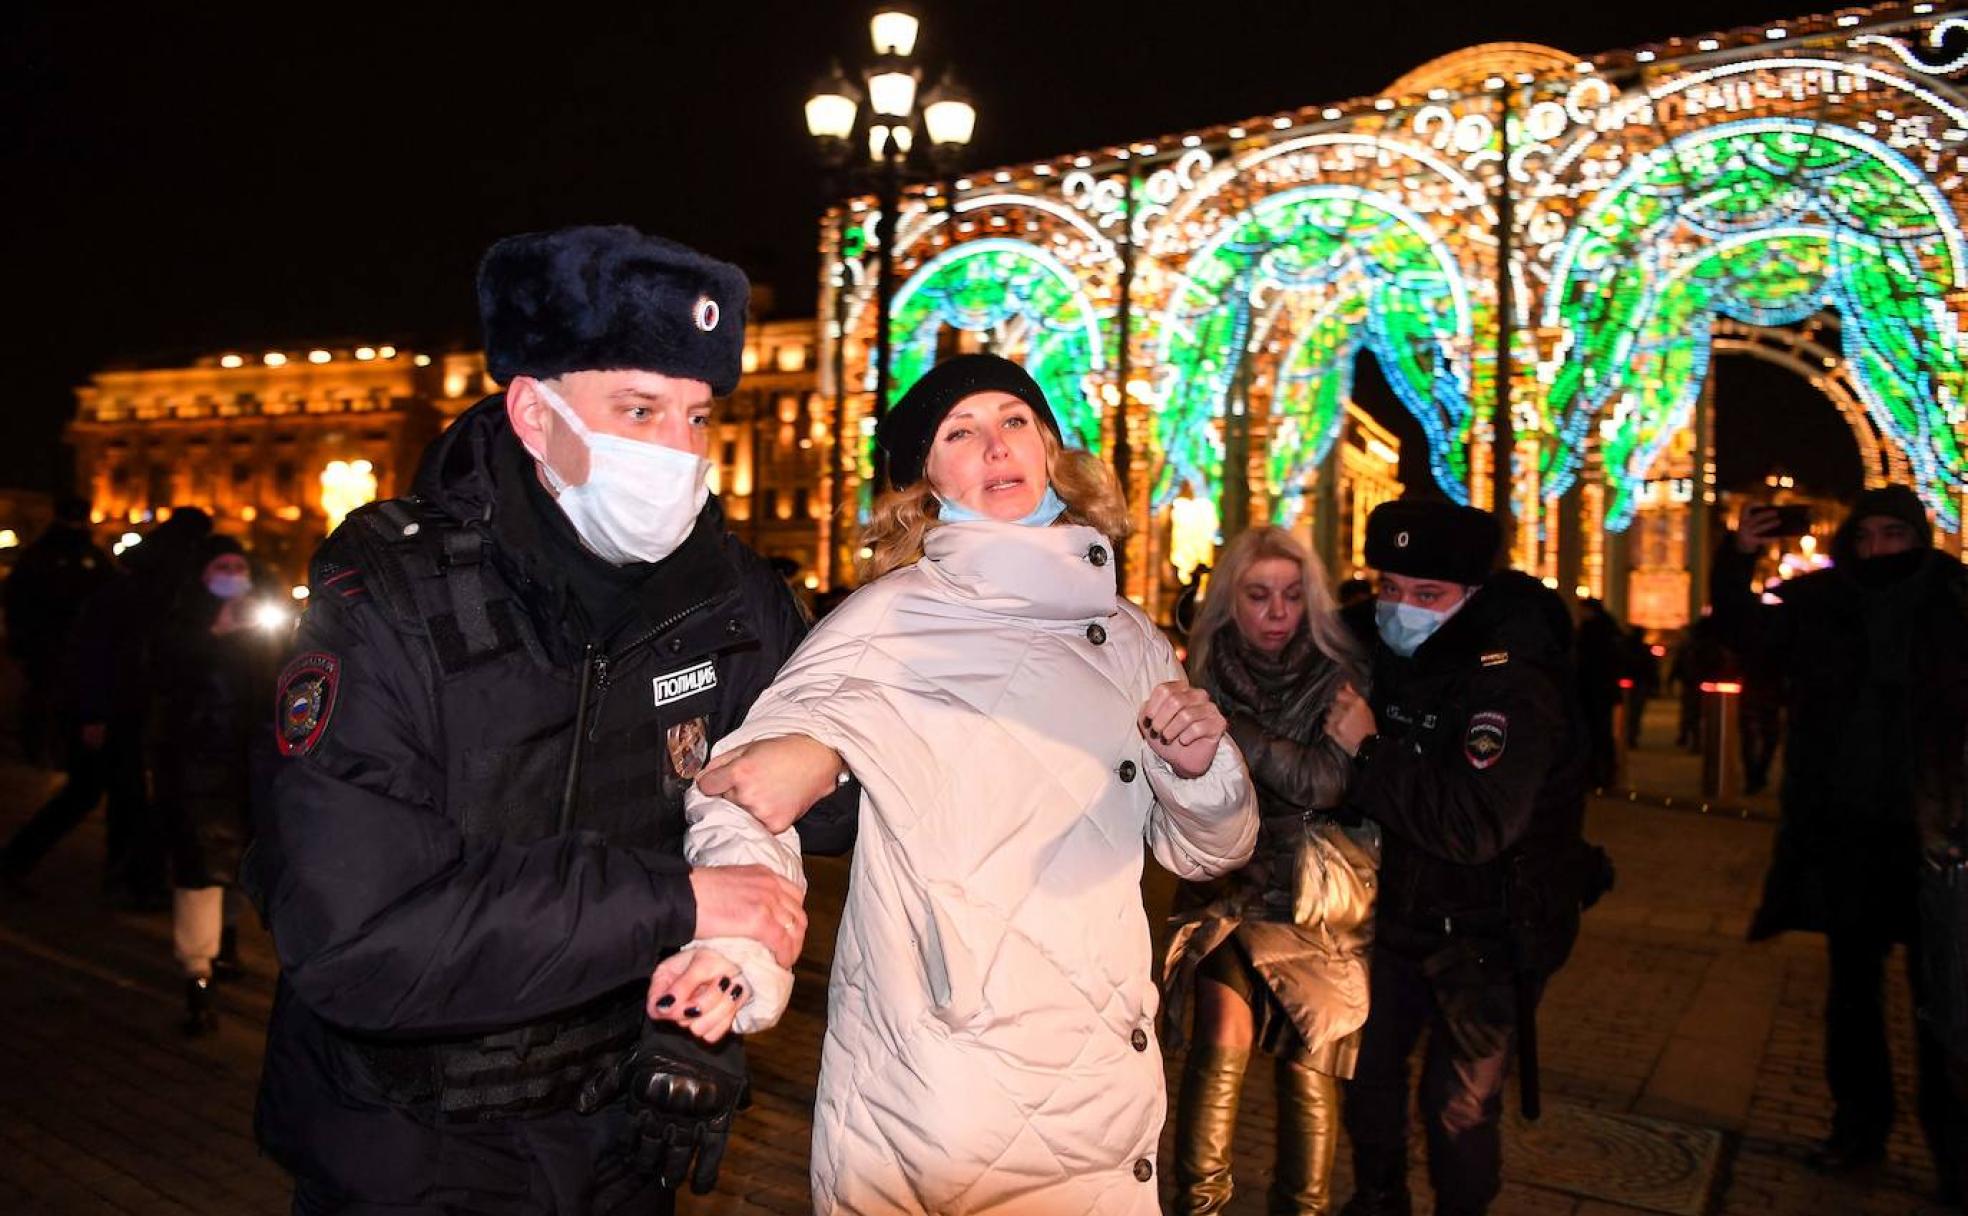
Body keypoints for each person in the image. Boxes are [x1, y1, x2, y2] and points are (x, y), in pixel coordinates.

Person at [245, 225, 853, 1215]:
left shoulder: (731, 594)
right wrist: (676, 904)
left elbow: (821, 816)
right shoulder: (389, 598)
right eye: (640, 409)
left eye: (696, 417)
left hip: (620, 1146)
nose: (677, 451)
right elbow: (358, 935)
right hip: (408, 1151)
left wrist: (824, 754)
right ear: (535, 412)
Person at [647, 353, 1260, 1215]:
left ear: (1049, 446)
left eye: (1014, 421)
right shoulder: (894, 619)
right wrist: (738, 951)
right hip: (948, 1092)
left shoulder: (1126, 634)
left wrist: (1202, 774)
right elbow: (740, 788)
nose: (996, 447)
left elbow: (1206, 852)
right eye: (960, 433)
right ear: (927, 483)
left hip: (1106, 1078)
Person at [1323, 498, 1601, 1216]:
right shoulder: (1381, 652)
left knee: (1458, 1106)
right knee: (1369, 1076)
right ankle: (1378, 1198)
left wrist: (1370, 749)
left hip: (1492, 935)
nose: (1400, 607)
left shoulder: (1511, 682)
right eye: (1389, 587)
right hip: (1398, 919)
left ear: (1471, 595)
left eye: (1425, 595)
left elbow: (1475, 824)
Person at [1715, 486, 1968, 1198]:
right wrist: (1737, 556)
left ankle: (1954, 1154)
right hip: (1849, 830)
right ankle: (1858, 1131)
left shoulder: (1953, 600)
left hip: (1939, 834)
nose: (1880, 550)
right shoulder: (1823, 602)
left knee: (1943, 1000)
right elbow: (1742, 629)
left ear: (1918, 537)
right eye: (1867, 538)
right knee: (1852, 996)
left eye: (1894, 535)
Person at [1161, 526, 1374, 1214]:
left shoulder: (1339, 677)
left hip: (1313, 904)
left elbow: (1324, 784)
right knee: (1219, 1037)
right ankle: (1200, 1206)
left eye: (1291, 595)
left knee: (1307, 1066)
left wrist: (1233, 733)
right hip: (1229, 891)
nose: (1277, 612)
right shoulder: (1202, 671)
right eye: (1259, 595)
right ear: (1231, 600)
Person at [0, 507, 212, 903]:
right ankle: (25, 863)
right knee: (97, 793)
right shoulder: (138, 590)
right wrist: (93, 713)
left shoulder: (146, 582)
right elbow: (98, 653)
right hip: (112, 707)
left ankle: (123, 878)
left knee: (119, 795)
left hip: (123, 705)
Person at [148, 534, 282, 1034]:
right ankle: (197, 974)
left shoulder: (263, 622)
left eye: (238, 564)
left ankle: (225, 944)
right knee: (201, 869)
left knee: (239, 862)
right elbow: (162, 678)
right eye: (221, 565)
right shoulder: (181, 622)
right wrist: (212, 635)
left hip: (249, 764)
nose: (231, 572)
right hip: (196, 766)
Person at [3, 495, 111, 765]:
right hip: (51, 642)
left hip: (68, 644)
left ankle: (54, 750)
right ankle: (44, 750)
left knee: (59, 700)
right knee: (47, 699)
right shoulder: (53, 556)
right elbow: (18, 601)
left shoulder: (84, 556)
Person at [1574, 598, 1625, 789]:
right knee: (1603, 733)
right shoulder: (1610, 630)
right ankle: (1607, 773)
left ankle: (1595, 774)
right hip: (1605, 690)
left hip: (1592, 690)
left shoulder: (1590, 632)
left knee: (1593, 733)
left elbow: (1585, 663)